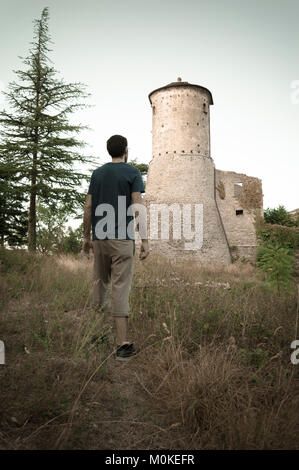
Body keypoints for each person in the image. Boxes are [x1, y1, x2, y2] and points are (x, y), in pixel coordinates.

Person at [82, 134, 150, 361]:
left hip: (99, 239)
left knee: (100, 285)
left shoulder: (97, 174)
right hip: (122, 240)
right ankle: (122, 345)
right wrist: (145, 240)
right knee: (120, 288)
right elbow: (138, 206)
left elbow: (89, 206)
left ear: (108, 150)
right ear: (126, 150)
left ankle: (98, 336)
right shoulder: (133, 173)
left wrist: (86, 238)